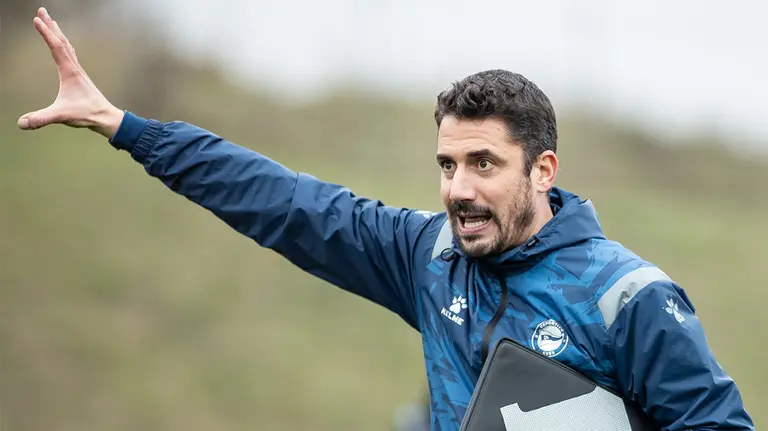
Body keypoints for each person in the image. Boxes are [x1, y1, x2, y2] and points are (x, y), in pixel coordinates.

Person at [17, 7, 755, 431]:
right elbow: (282, 202)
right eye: (447, 165)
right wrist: (128, 128)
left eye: (484, 164)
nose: (459, 188)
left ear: (543, 170)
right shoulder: (427, 257)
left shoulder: (628, 297)